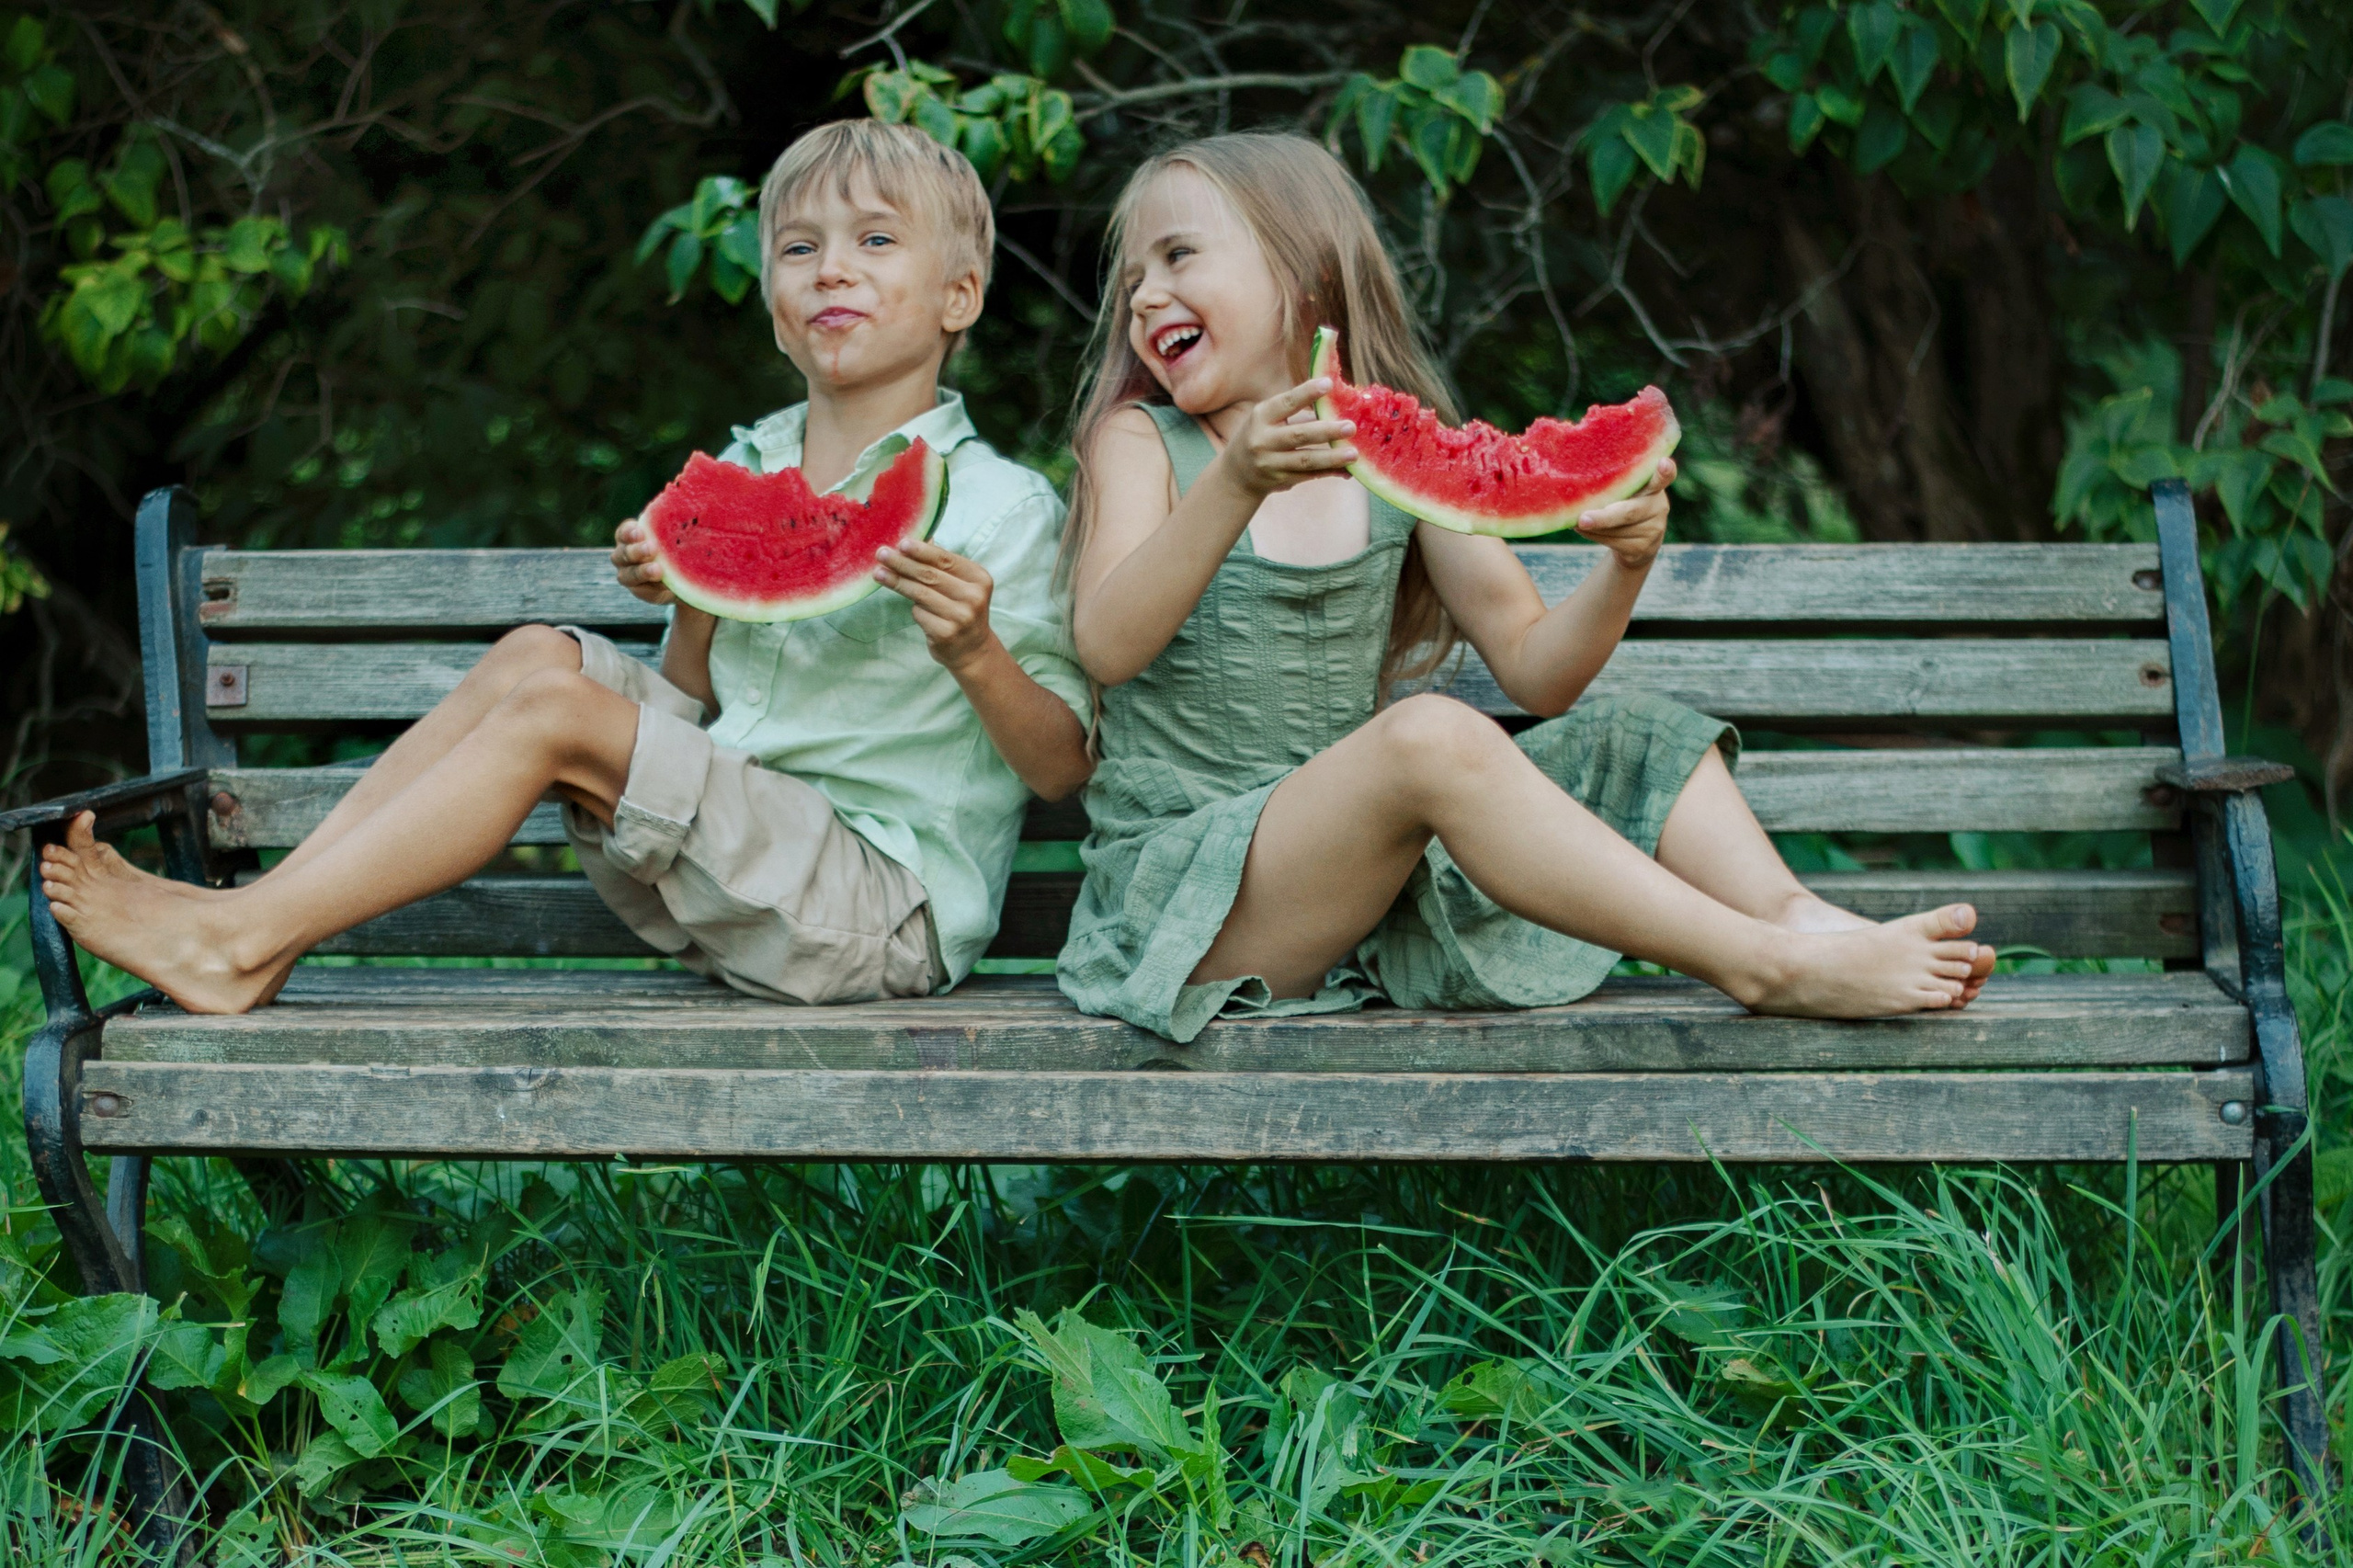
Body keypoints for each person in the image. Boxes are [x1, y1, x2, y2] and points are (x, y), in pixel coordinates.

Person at [40, 119, 1092, 1014]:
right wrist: (690, 596)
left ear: (959, 296)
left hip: (878, 909)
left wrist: (974, 650)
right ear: (773, 300)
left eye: (876, 239)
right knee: (537, 655)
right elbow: (688, 696)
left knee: (558, 711)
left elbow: (1061, 767)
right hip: (737, 861)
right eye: (799, 246)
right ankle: (256, 934)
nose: (831, 268)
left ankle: (239, 937)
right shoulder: (745, 468)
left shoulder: (1000, 506)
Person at [1054, 131, 1995, 1044]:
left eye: (1178, 255)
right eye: (1132, 279)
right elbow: (1107, 643)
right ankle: (1762, 966)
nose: (1146, 295)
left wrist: (1625, 566)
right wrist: (1235, 483)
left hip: (1358, 896)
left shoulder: (1389, 464)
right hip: (1185, 906)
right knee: (1428, 735)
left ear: (1304, 275)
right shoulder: (1140, 442)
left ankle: (1799, 920)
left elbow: (1537, 674)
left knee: (1632, 732)